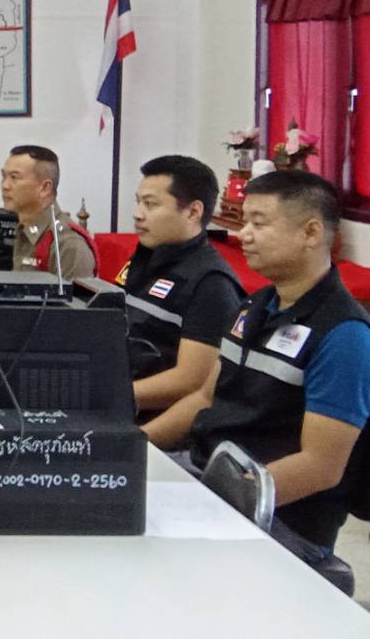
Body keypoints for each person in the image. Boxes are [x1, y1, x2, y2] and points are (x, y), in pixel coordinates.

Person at [144, 170, 370, 566]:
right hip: (210, 479)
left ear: (311, 232)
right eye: (244, 221)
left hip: (281, 521)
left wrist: (217, 505)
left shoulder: (344, 333)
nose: (243, 234)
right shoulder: (256, 305)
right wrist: (135, 445)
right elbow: (205, 398)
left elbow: (321, 466)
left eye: (259, 223)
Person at [120, 155, 245, 416]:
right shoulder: (145, 258)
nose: (138, 214)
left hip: (153, 422)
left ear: (193, 212)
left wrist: (108, 395)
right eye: (138, 202)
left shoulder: (211, 283)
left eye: (150, 204)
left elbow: (191, 382)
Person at [0, 145, 97, 281]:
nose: (4, 185)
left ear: (45, 187)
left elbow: (74, 296)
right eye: (4, 176)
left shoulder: (69, 245)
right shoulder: (25, 230)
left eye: (14, 177)